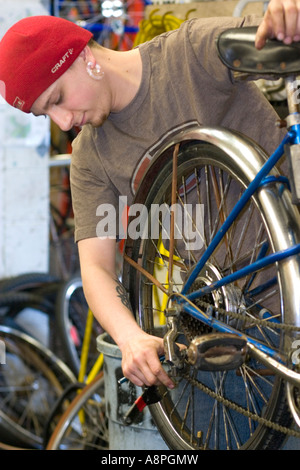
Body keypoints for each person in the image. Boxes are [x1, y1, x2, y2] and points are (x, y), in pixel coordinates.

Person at [0, 0, 299, 389]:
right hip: (233, 323)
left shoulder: (190, 55)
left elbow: (275, 42)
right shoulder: (91, 158)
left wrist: (289, 17)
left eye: (56, 99)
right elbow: (96, 268)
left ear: (83, 57)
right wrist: (129, 337)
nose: (64, 121)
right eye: (46, 115)